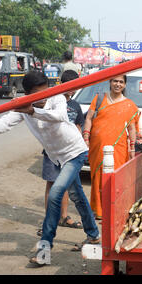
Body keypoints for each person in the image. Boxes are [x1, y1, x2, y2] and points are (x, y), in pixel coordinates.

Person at [0, 70, 99, 267]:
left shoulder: (57, 97)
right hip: (57, 158)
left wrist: (33, 110)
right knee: (77, 196)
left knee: (56, 194)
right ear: (28, 93)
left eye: (45, 92)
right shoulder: (22, 107)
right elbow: (3, 124)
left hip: (75, 152)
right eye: (37, 94)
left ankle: (44, 250)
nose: (43, 97)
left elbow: (58, 116)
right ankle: (93, 235)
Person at [82, 74, 140, 219]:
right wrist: (86, 137)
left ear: (125, 85)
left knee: (116, 178)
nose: (118, 84)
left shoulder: (129, 105)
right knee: (98, 177)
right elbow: (89, 118)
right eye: (115, 81)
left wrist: (132, 149)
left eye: (121, 82)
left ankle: (114, 209)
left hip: (118, 148)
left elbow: (132, 128)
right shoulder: (99, 98)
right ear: (110, 82)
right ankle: (98, 210)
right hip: (98, 146)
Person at [37, 70, 86, 236]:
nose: (71, 90)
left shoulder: (75, 106)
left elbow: (79, 127)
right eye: (68, 86)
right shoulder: (49, 102)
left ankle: (63, 217)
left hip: (70, 153)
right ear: (61, 84)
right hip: (52, 152)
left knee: (66, 186)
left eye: (75, 87)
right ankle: (48, 220)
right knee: (52, 184)